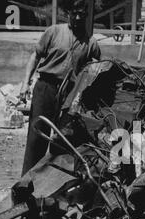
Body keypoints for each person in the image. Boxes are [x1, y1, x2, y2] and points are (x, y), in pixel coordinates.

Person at [20, 0, 101, 176]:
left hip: (69, 95)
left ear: (86, 16)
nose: (78, 17)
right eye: (75, 13)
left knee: (62, 140)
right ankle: (26, 185)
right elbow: (35, 56)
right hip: (45, 88)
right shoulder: (54, 32)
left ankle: (52, 185)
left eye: (82, 14)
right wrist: (25, 83)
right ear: (69, 13)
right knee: (37, 137)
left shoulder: (91, 43)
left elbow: (95, 70)